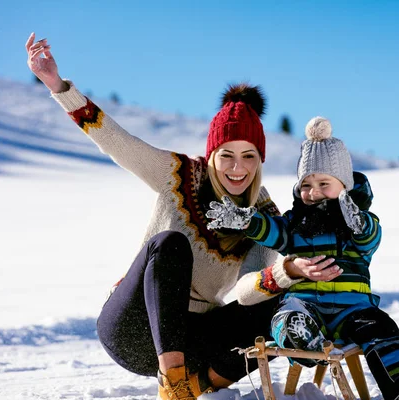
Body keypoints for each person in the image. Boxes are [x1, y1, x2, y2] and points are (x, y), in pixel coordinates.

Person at [24, 32, 341, 400]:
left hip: (195, 334)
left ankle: (199, 385)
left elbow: (247, 289)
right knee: (170, 244)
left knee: (276, 304)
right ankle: (173, 383)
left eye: (249, 156)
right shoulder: (178, 174)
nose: (237, 168)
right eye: (227, 155)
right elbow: (116, 141)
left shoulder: (262, 215)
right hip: (133, 325)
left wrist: (286, 273)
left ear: (260, 160)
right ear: (212, 154)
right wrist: (58, 85)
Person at [206, 117, 399, 400]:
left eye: (324, 183)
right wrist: (246, 221)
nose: (313, 191)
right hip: (308, 307)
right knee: (285, 314)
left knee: (383, 331)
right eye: (306, 185)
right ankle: (302, 338)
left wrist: (358, 222)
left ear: (344, 185)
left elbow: (370, 239)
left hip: (354, 311)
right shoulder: (295, 223)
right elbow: (272, 231)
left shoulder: (358, 224)